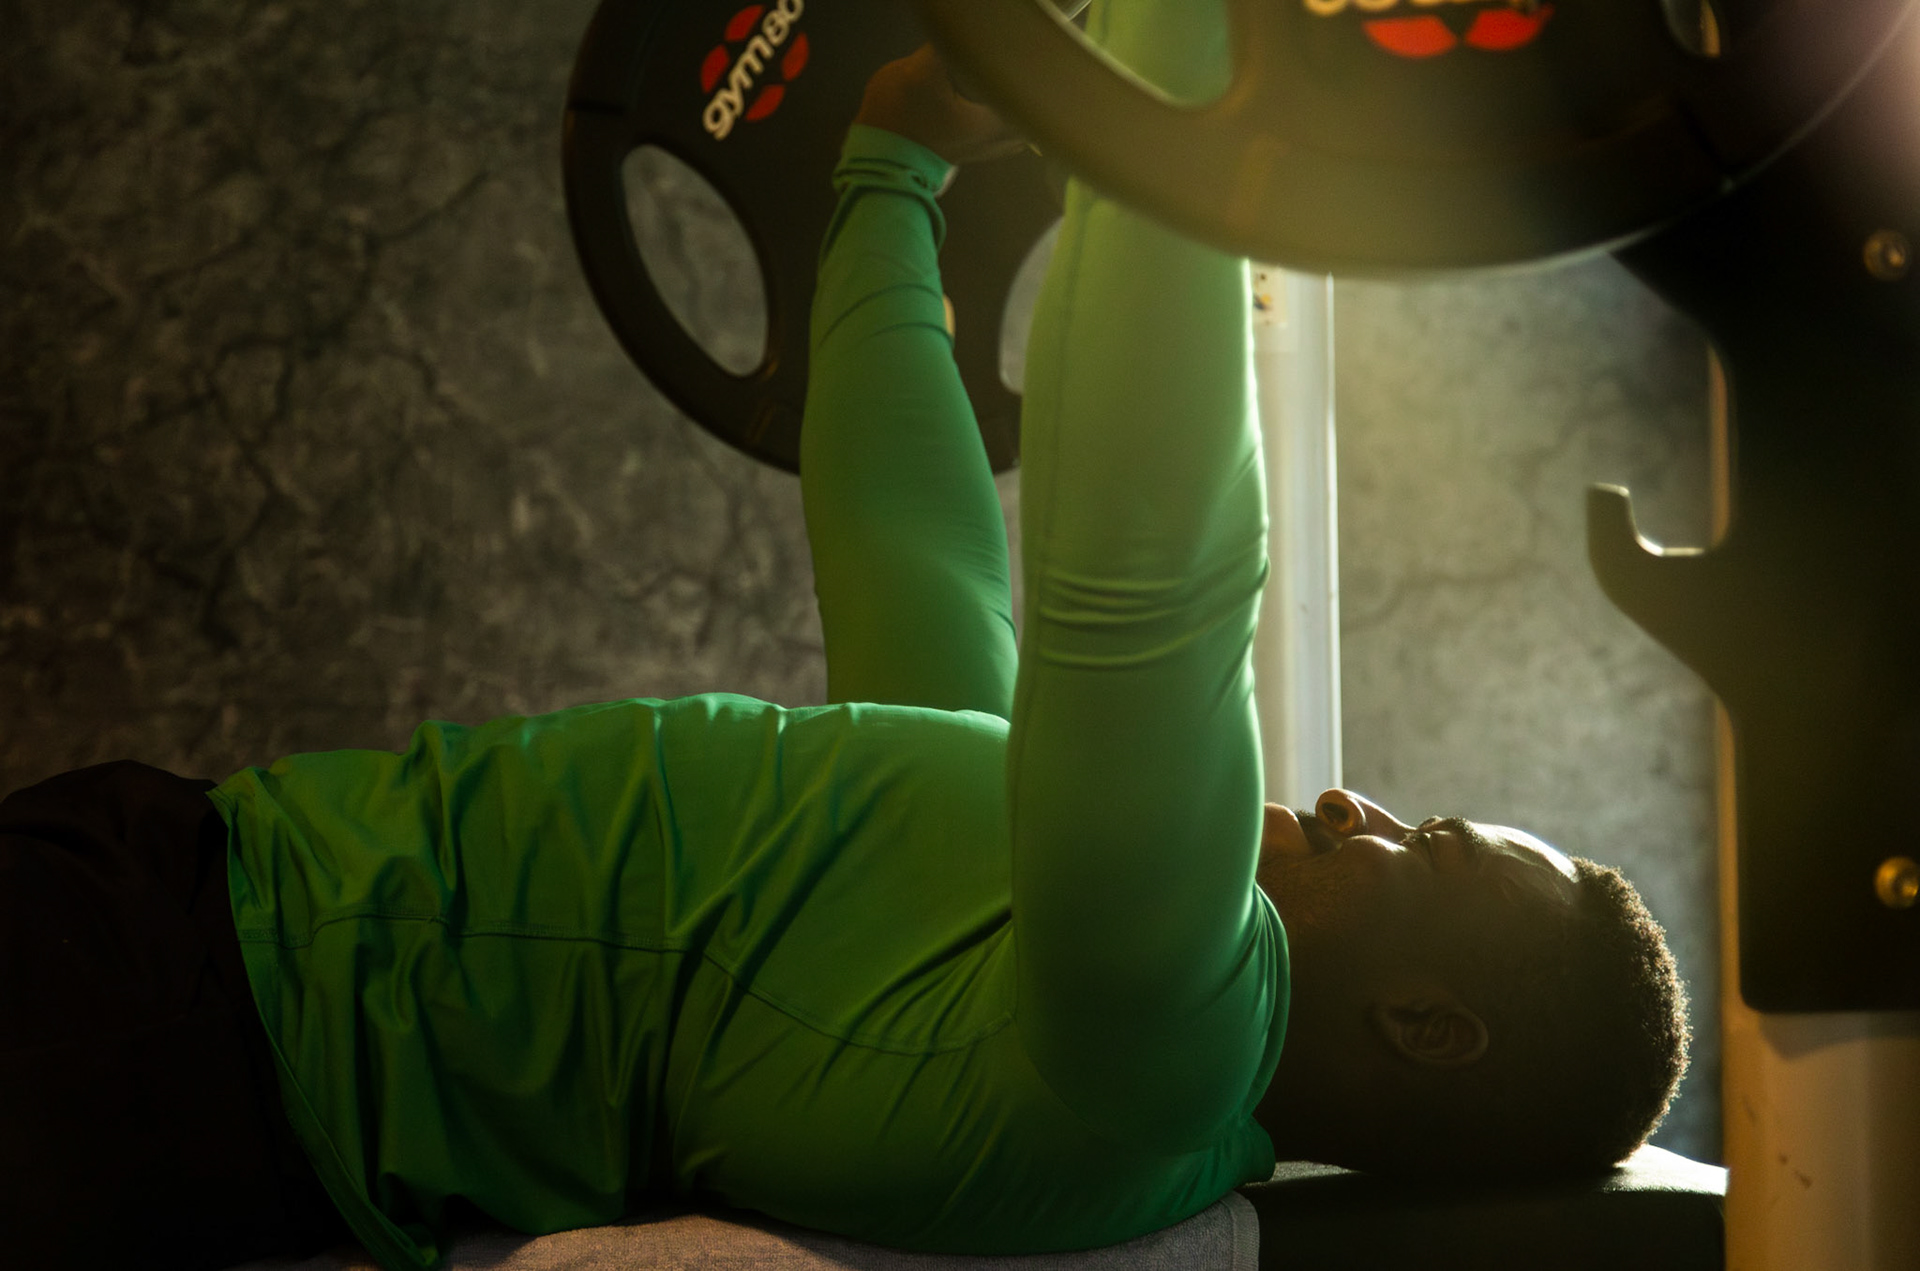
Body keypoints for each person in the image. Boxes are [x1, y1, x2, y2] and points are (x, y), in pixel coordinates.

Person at [0, 2, 1688, 1268]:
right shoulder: (1067, 969)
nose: (1352, 802)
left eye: (1424, 843)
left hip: (197, 1023)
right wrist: (893, 168)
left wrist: (1178, 77)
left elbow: (1145, 588)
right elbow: (918, 563)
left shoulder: (1165, 1052)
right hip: (195, 905)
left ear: (1428, 1025)